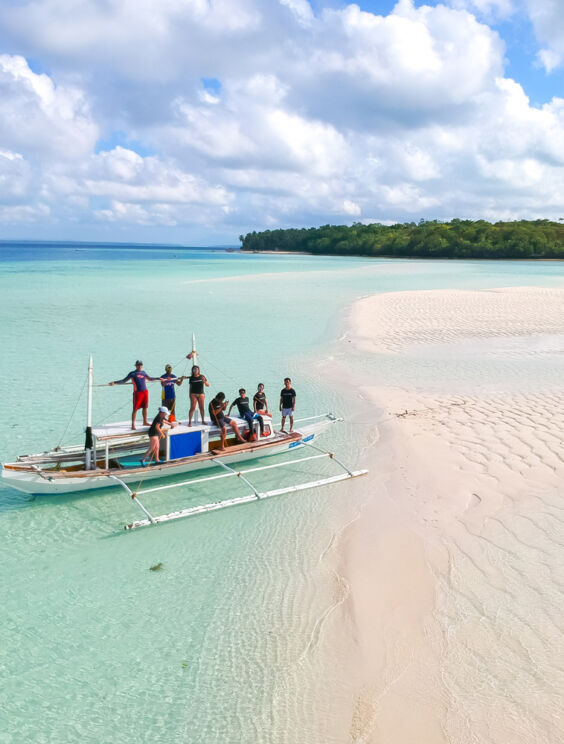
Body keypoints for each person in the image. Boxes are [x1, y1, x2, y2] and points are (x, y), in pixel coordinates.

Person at [109, 360, 160, 430]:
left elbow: (150, 379)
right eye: (138, 365)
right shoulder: (132, 374)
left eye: (141, 365)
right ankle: (133, 424)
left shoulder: (144, 373)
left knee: (145, 407)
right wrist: (114, 382)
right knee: (135, 409)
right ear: (136, 366)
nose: (140, 366)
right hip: (137, 393)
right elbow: (124, 381)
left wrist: (159, 378)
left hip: (145, 392)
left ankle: (145, 421)